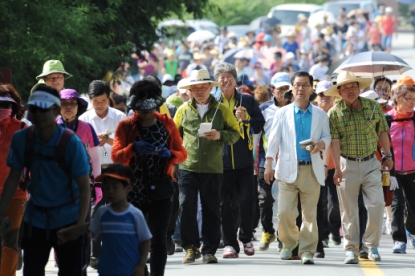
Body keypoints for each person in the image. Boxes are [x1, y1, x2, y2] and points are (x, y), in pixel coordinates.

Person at [0, 84, 90, 275]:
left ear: (55, 110)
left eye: (44, 109)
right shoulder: (22, 139)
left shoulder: (70, 143)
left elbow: (84, 187)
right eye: (34, 109)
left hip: (69, 219)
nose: (39, 114)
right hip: (36, 219)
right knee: (32, 271)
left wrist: (80, 225)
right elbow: (13, 178)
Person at [112, 79, 187, 275]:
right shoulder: (126, 126)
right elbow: (116, 156)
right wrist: (133, 148)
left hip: (160, 189)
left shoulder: (167, 123)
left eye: (149, 108)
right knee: (135, 238)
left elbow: (182, 153)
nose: (145, 112)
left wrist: (171, 155)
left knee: (159, 238)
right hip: (133, 191)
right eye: (141, 108)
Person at [325, 71, 393, 264]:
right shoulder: (334, 112)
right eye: (344, 87)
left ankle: (371, 246)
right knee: (349, 211)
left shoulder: (372, 106)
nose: (349, 90)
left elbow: (382, 131)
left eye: (352, 86)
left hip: (371, 163)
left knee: (377, 204)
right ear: (338, 91)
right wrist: (337, 168)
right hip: (347, 164)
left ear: (359, 87)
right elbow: (335, 143)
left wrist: (387, 155)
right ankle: (351, 249)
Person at [264, 71, 331, 265]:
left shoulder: (320, 114)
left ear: (311, 89)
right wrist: (269, 163)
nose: (301, 89)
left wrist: (320, 144)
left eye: (305, 85)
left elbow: (327, 137)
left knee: (310, 214)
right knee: (285, 212)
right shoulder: (282, 113)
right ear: (292, 88)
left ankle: (307, 250)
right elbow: (274, 140)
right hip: (286, 170)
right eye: (297, 85)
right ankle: (289, 243)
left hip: (311, 169)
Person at [175, 69, 240, 264]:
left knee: (212, 209)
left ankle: (209, 250)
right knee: (186, 206)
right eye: (196, 88)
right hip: (187, 167)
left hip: (212, 168)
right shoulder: (183, 110)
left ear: (211, 88)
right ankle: (190, 248)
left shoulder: (222, 110)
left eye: (203, 87)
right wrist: (173, 163)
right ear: (190, 91)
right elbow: (174, 138)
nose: (200, 91)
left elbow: (235, 133)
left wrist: (220, 135)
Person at [213, 63, 265, 258]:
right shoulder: (213, 102)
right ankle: (229, 244)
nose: (225, 80)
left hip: (244, 162)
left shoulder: (247, 101)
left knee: (246, 201)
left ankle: (246, 236)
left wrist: (247, 118)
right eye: (221, 76)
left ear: (235, 79)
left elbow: (260, 126)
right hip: (221, 163)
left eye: (228, 76)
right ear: (216, 80)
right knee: (224, 205)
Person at [78, 80, 126, 267]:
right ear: (90, 100)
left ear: (109, 98)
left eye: (103, 100)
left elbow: (126, 145)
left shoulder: (120, 117)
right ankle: (95, 254)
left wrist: (108, 141)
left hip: (114, 170)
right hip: (93, 172)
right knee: (95, 213)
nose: (99, 105)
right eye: (95, 101)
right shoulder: (84, 119)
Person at [90, 164, 152, 276]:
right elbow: (89, 229)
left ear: (128, 188)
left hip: (130, 269)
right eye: (106, 187)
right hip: (107, 269)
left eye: (115, 187)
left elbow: (146, 240)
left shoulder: (135, 215)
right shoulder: (102, 213)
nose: (110, 191)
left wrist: (141, 265)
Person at [257, 73, 291, 252]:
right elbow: (256, 136)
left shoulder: (297, 108)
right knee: (265, 199)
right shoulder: (263, 109)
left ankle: (282, 237)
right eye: (280, 89)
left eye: (287, 88)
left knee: (286, 202)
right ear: (272, 91)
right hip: (266, 162)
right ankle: (268, 231)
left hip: (289, 162)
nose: (284, 92)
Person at [0, 85, 28, 275]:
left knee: (10, 241)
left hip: (15, 196)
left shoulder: (23, 128)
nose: (3, 109)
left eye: (6, 104)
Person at [386, 83, 415, 253]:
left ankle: (411, 230)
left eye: (413, 99)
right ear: (397, 99)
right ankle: (399, 240)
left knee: (413, 207)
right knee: (397, 204)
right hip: (393, 171)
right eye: (408, 98)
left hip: (413, 170)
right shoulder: (387, 119)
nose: (412, 102)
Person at [314, 80, 336, 258]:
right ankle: (321, 238)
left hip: (338, 165)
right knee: (320, 203)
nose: (326, 98)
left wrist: (328, 164)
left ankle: (333, 230)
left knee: (334, 205)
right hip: (316, 165)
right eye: (322, 95)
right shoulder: (313, 114)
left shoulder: (338, 114)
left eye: (329, 94)